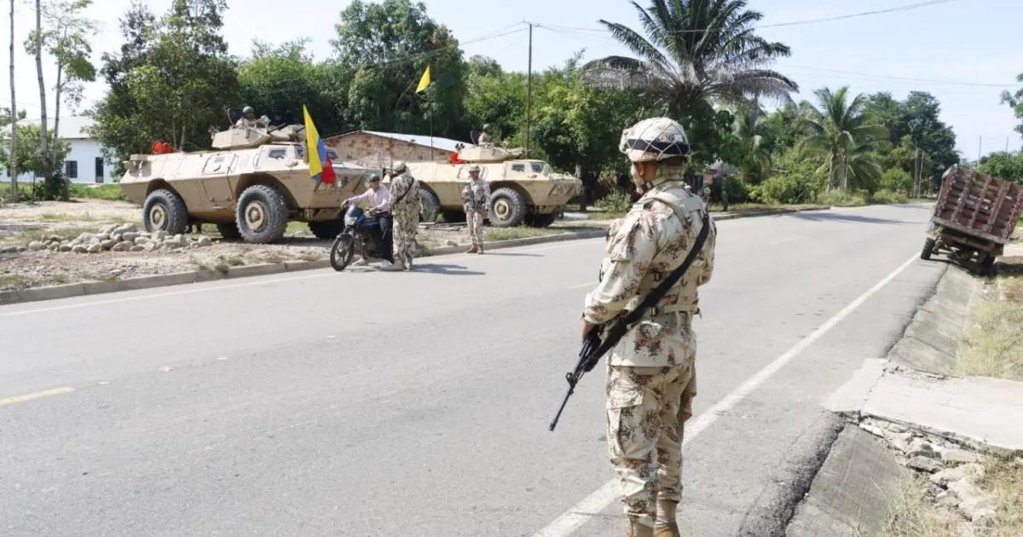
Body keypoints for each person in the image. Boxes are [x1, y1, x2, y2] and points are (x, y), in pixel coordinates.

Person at [580, 117, 717, 537]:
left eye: (632, 164)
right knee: (667, 437)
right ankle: (666, 524)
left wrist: (589, 318)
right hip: (680, 346)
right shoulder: (700, 211)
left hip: (640, 350)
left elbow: (615, 289)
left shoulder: (649, 215)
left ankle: (640, 531)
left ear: (644, 165)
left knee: (633, 451)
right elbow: (705, 274)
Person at [344, 175, 396, 269]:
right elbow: (360, 197)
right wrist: (348, 200)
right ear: (370, 183)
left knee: (385, 233)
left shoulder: (384, 191)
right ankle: (364, 257)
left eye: (377, 180)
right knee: (361, 229)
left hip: (384, 214)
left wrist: (375, 208)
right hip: (373, 214)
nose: (376, 182)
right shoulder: (370, 191)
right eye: (373, 181)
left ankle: (386, 259)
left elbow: (385, 203)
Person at [386, 161, 421, 271]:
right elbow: (419, 198)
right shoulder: (415, 181)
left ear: (397, 171)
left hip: (400, 212)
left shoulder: (396, 181)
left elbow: (392, 198)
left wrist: (389, 207)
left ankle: (399, 261)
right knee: (410, 236)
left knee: (398, 236)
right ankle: (409, 261)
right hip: (412, 212)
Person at [461, 165, 491, 254]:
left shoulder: (483, 183)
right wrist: (465, 200)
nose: (472, 174)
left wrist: (487, 206)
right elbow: (464, 194)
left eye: (474, 172)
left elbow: (488, 196)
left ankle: (480, 246)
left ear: (478, 172)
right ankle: (474, 245)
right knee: (470, 227)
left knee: (477, 227)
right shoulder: (469, 183)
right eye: (470, 172)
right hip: (470, 207)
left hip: (479, 208)